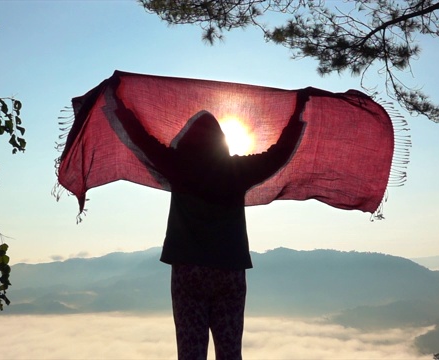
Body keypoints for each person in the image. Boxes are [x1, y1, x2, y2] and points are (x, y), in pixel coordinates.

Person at [108, 81, 308, 360]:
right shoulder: (237, 171)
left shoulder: (176, 166)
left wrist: (117, 104)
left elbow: (140, 139)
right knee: (230, 353)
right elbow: (278, 154)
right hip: (230, 270)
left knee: (191, 352)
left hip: (188, 271)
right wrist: (299, 112)